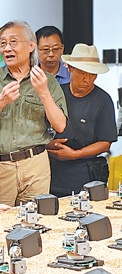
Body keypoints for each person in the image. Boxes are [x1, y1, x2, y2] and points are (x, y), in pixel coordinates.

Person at [0, 20, 67, 207]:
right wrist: (0, 102)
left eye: (13, 42)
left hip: (35, 164)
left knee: (36, 217)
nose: (7, 48)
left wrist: (43, 92)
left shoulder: (47, 80)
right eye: (2, 43)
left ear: (31, 46)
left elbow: (60, 125)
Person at [47, 43, 117, 197]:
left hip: (85, 175)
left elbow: (105, 143)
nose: (87, 79)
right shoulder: (56, 95)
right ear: (69, 68)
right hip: (51, 173)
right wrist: (48, 144)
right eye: (82, 73)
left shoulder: (103, 100)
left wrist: (75, 154)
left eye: (93, 74)